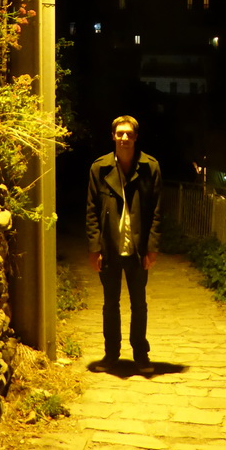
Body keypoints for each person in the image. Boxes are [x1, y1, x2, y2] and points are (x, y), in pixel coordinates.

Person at [86, 115, 162, 372]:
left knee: (139, 303)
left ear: (136, 137)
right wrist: (95, 248)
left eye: (129, 134)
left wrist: (152, 247)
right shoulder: (100, 168)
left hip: (138, 248)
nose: (125, 138)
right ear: (113, 136)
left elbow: (157, 210)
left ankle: (141, 355)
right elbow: (91, 211)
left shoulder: (150, 167)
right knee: (111, 303)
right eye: (120, 133)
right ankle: (111, 355)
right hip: (109, 247)